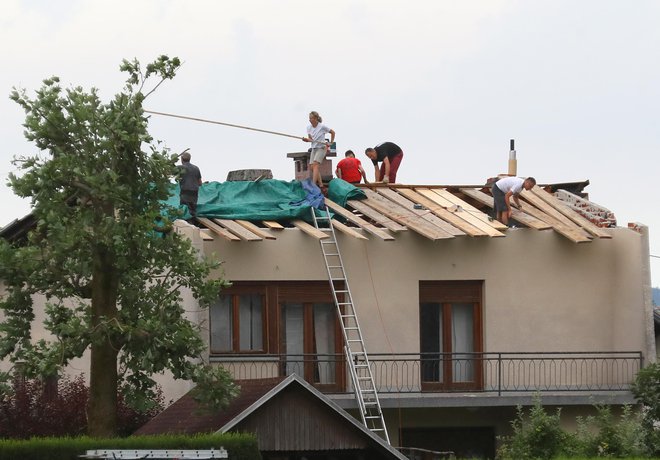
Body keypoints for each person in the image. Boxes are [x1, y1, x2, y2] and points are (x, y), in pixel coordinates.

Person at [302, 111, 335, 188]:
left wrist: (331, 142)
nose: (310, 120)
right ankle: (320, 184)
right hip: (314, 148)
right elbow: (311, 139)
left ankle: (313, 185)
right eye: (309, 118)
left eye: (312, 118)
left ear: (316, 118)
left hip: (322, 147)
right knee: (312, 167)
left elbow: (333, 132)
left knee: (315, 165)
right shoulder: (308, 127)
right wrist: (306, 140)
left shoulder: (322, 126)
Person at [178, 150, 202, 218]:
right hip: (194, 193)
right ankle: (193, 225)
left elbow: (169, 172)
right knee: (193, 211)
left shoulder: (180, 168)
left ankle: (186, 226)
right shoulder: (196, 168)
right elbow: (200, 183)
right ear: (190, 159)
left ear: (181, 159)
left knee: (184, 210)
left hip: (185, 192)